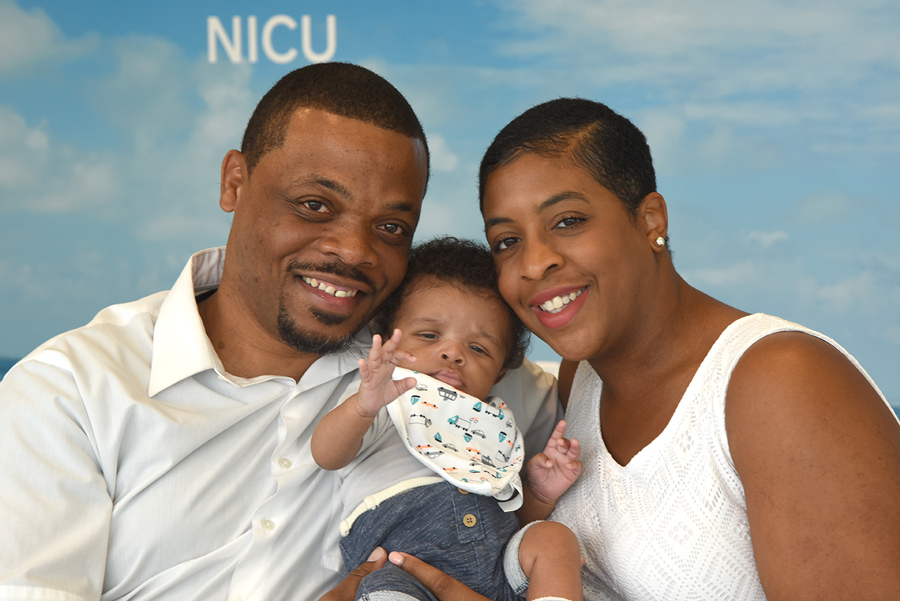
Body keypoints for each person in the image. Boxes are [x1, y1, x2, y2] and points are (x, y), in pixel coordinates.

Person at [0, 63, 562, 601]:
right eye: (315, 205)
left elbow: (598, 382)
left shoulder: (437, 366)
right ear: (234, 183)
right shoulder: (68, 394)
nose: (353, 250)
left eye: (390, 227)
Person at [384, 98, 900, 599]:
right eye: (506, 241)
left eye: (567, 221)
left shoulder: (784, 381)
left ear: (651, 220)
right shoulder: (578, 376)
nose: (534, 262)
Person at [311, 237, 583, 601]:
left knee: (553, 540)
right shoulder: (387, 399)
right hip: (400, 562)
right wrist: (363, 406)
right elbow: (326, 454)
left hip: (495, 565)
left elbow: (509, 517)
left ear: (501, 372)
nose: (453, 352)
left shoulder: (492, 423)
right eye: (429, 335)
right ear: (387, 337)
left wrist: (538, 492)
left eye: (478, 348)